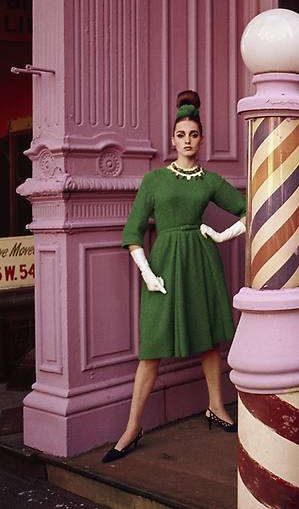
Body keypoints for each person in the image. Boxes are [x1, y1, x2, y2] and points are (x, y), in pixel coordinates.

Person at [102, 90, 246, 463]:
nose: (187, 141)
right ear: (172, 139)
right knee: (151, 349)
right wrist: (148, 273)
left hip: (200, 263)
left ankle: (216, 405)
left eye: (193, 134)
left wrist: (221, 234)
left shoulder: (209, 181)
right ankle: (132, 427)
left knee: (209, 340)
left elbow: (252, 208)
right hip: (163, 265)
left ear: (201, 139)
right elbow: (133, 231)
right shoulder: (154, 181)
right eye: (181, 135)